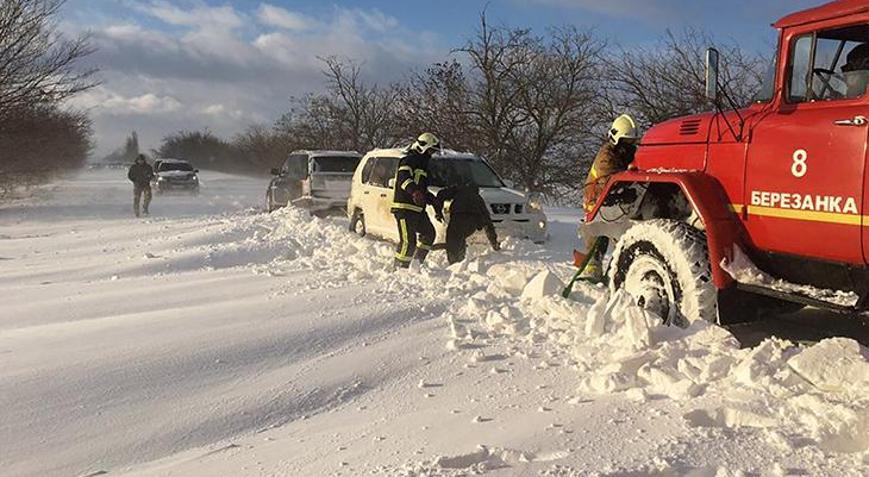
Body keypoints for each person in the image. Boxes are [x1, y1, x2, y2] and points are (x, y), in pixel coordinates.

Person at [578, 114, 639, 279]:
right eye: (625, 142)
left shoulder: (628, 153)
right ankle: (592, 269)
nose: (628, 146)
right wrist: (627, 185)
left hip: (613, 202)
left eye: (631, 142)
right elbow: (608, 178)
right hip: (596, 200)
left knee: (617, 236)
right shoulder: (606, 155)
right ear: (615, 138)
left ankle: (615, 270)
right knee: (597, 235)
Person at [391, 132, 440, 269]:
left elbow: (422, 189)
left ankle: (417, 263)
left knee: (429, 233)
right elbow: (403, 178)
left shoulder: (424, 166)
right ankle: (400, 269)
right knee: (408, 242)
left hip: (418, 209)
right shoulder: (408, 160)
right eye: (430, 150)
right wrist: (414, 192)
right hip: (404, 208)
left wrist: (432, 200)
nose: (431, 154)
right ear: (422, 147)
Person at [434, 182, 499, 264]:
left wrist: (438, 211)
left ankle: (454, 263)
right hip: (471, 224)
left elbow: (441, 194)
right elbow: (488, 223)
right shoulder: (478, 199)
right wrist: (494, 242)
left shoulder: (459, 190)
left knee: (453, 240)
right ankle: (460, 260)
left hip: (457, 219)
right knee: (460, 238)